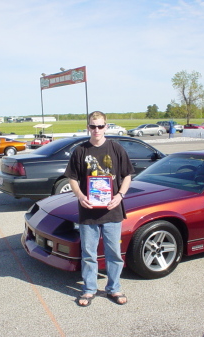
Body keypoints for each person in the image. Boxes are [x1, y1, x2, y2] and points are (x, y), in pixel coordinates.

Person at [64, 111, 134, 307]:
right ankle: (89, 289)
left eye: (100, 126)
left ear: (106, 126)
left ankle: (114, 288)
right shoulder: (80, 151)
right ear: (88, 127)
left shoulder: (116, 148)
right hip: (88, 212)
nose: (96, 130)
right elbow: (72, 178)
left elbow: (127, 175)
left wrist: (119, 196)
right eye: (93, 126)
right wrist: (80, 196)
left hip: (112, 210)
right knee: (88, 253)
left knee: (114, 253)